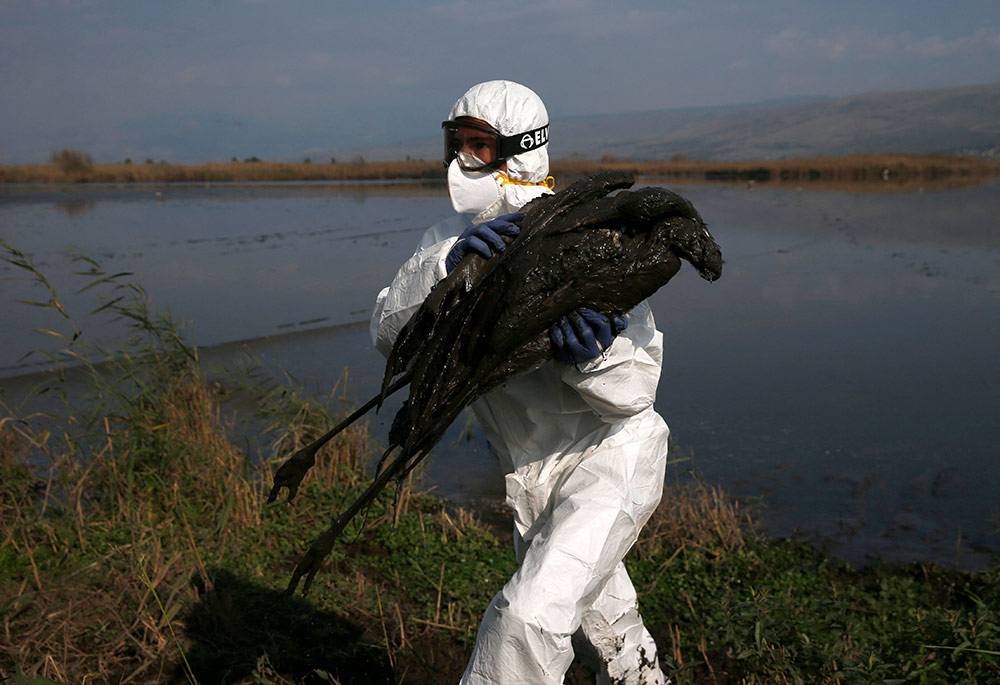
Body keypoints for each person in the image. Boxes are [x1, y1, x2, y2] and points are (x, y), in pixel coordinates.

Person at [371, 80, 669, 685]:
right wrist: (444, 271)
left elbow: (637, 394)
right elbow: (387, 334)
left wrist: (595, 356)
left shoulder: (592, 238)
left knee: (525, 622)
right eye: (456, 145)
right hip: (531, 477)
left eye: (479, 147)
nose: (461, 162)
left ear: (521, 149)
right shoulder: (449, 245)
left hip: (610, 462)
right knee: (609, 634)